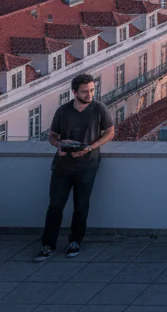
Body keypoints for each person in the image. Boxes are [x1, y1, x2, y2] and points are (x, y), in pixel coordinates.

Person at [37, 73, 114, 261]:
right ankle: (48, 244)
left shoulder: (99, 109)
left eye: (92, 90)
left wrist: (91, 147)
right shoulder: (62, 111)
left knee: (81, 206)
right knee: (55, 206)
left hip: (87, 165)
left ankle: (75, 241)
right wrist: (60, 146)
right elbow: (52, 136)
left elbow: (110, 132)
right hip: (62, 166)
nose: (89, 94)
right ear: (74, 92)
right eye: (85, 91)